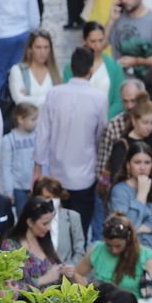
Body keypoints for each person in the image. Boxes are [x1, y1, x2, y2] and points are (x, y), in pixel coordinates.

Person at [33, 46, 110, 230]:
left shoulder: (54, 93)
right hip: (85, 174)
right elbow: (101, 135)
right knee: (79, 230)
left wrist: (37, 167)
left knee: (56, 228)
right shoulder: (99, 98)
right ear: (91, 69)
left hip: (57, 172)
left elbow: (43, 133)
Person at [105, 142, 152, 264]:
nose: (142, 167)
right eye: (137, 162)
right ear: (128, 165)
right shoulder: (120, 191)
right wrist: (141, 195)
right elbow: (126, 226)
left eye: (147, 162)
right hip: (129, 255)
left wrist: (147, 227)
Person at [0, 197, 76, 290]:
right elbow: (9, 287)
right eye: (44, 224)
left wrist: (62, 271)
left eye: (50, 223)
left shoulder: (44, 241)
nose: (49, 228)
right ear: (30, 222)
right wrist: (43, 279)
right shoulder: (11, 246)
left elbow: (55, 267)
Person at [30, 176, 89, 263]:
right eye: (47, 197)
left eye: (56, 197)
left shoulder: (73, 217)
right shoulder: (31, 220)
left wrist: (65, 270)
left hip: (66, 273)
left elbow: (80, 252)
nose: (52, 201)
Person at [0, 103, 41, 211]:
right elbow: (6, 167)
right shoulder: (9, 140)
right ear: (21, 119)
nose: (36, 122)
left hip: (36, 186)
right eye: (33, 119)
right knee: (22, 217)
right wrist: (9, 191)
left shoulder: (38, 136)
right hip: (18, 188)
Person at [9, 29, 61, 109]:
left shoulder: (54, 72)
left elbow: (60, 100)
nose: (42, 52)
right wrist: (50, 99)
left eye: (46, 47)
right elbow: (20, 100)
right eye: (38, 47)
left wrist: (29, 99)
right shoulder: (18, 70)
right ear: (30, 49)